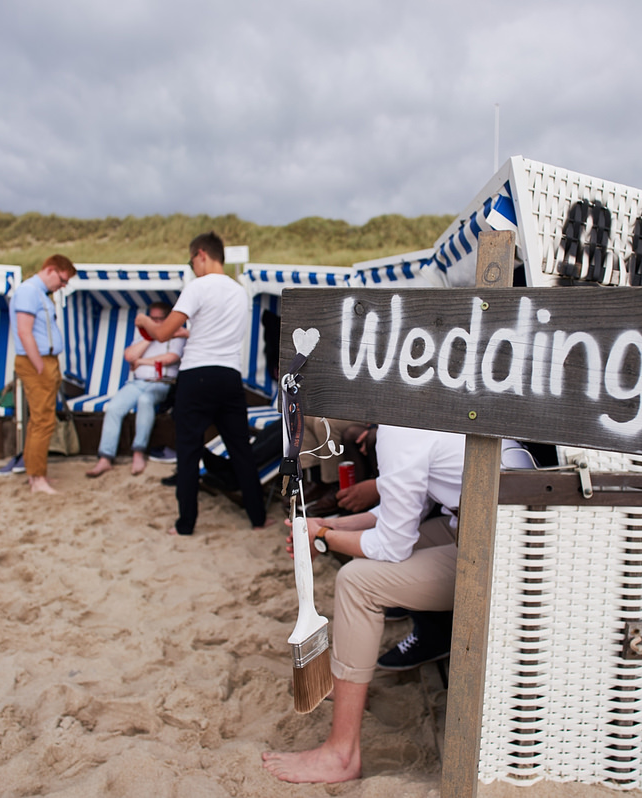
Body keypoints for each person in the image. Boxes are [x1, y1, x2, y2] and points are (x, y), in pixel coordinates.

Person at [261, 425, 464, 783]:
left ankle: (342, 754)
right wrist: (326, 524)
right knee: (362, 568)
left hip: (500, 547)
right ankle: (352, 689)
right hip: (479, 525)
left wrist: (322, 538)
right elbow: (400, 514)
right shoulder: (422, 413)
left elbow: (393, 545)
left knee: (357, 582)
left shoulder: (399, 429)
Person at [137, 233, 267, 534]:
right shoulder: (239, 292)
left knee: (188, 450)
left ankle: (185, 525)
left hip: (196, 376)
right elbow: (209, 331)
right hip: (229, 376)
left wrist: (145, 321)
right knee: (240, 450)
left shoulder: (197, 287)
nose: (193, 267)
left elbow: (162, 333)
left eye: (191, 261)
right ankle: (258, 518)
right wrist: (184, 332)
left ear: (201, 254)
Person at [85, 301, 185, 478]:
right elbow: (129, 356)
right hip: (138, 382)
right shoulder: (143, 337)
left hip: (161, 383)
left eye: (159, 319)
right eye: (152, 319)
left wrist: (142, 361)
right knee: (115, 407)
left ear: (167, 319)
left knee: (145, 401)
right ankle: (105, 457)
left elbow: (171, 358)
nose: (155, 322)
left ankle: (138, 452)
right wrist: (150, 336)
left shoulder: (176, 335)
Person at [11, 255, 77, 493]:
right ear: (50, 270)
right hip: (37, 361)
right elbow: (24, 330)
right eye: (62, 280)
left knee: (39, 420)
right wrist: (38, 363)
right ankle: (37, 478)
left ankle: (35, 474)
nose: (62, 285)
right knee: (43, 422)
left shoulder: (38, 293)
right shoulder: (29, 291)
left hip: (43, 360)